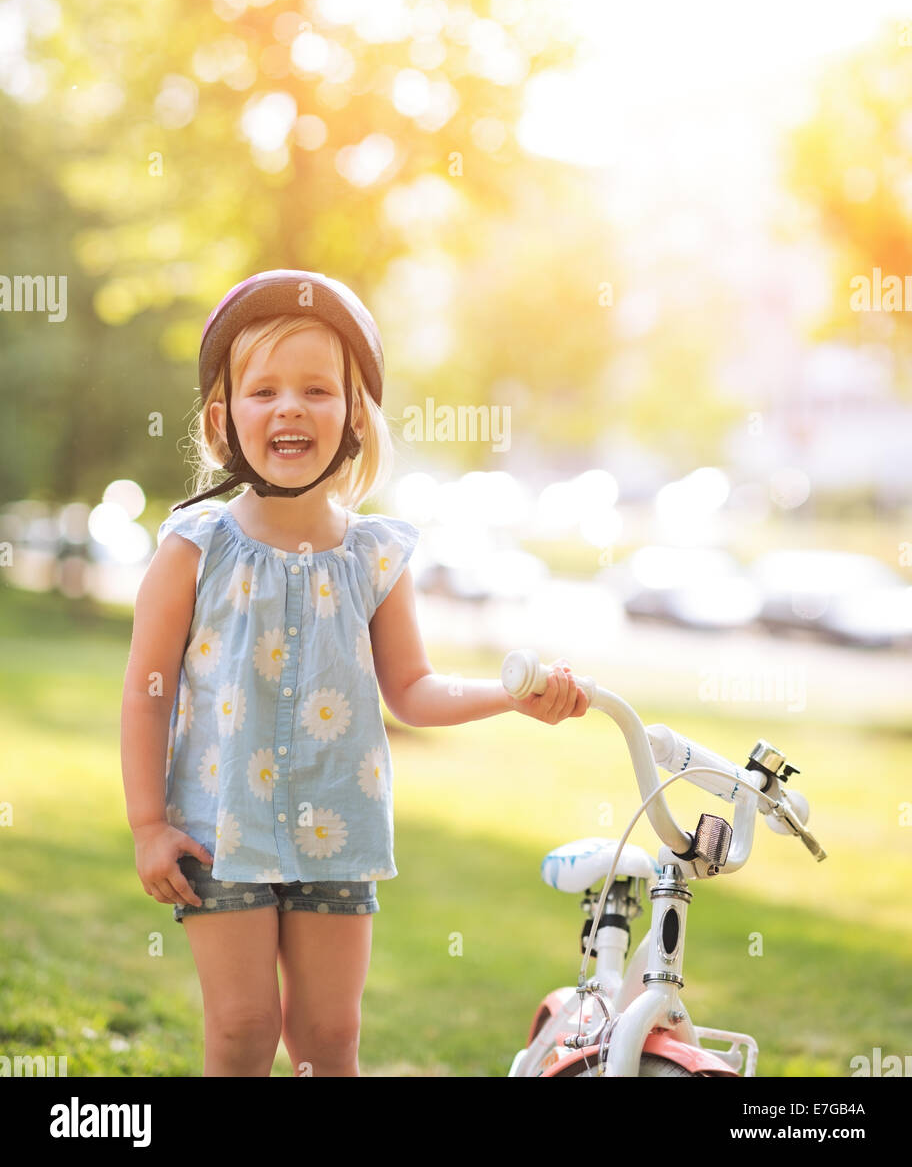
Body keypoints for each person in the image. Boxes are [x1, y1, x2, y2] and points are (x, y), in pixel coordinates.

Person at [120, 268, 588, 1078]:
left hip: (339, 834)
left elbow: (413, 688)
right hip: (218, 828)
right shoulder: (194, 546)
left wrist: (509, 697)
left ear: (355, 419)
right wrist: (147, 824)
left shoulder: (375, 555)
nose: (290, 407)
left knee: (329, 1039)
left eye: (315, 389)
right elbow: (145, 690)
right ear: (222, 419)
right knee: (241, 1028)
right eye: (262, 391)